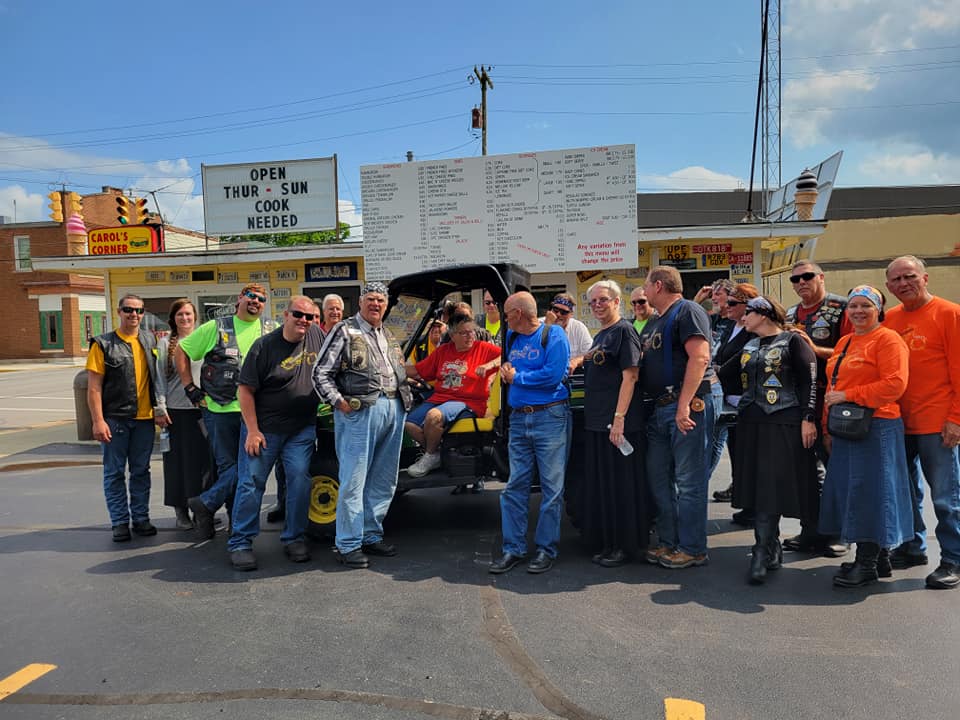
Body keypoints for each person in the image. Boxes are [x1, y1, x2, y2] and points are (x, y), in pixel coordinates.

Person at [312, 281, 413, 569]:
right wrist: (339, 402)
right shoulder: (344, 330)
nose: (376, 304)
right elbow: (320, 373)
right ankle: (347, 543)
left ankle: (371, 534)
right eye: (371, 299)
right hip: (359, 412)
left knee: (384, 479)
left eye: (381, 300)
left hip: (393, 408)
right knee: (354, 480)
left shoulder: (388, 336)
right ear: (360, 302)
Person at [721, 296, 818, 584]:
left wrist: (808, 418)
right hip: (751, 423)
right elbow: (724, 373)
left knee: (774, 485)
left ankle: (763, 549)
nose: (742, 317)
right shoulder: (748, 345)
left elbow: (809, 380)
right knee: (758, 485)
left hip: (784, 422)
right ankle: (768, 545)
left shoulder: (793, 341)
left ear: (763, 314)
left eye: (747, 312)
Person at [820, 285, 912, 588]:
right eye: (853, 306)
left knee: (874, 494)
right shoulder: (845, 341)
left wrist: (851, 394)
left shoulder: (888, 340)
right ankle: (879, 558)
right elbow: (831, 389)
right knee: (853, 492)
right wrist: (826, 428)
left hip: (878, 427)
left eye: (866, 306)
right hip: (846, 428)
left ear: (878, 310)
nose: (858, 311)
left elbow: (894, 385)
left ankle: (867, 563)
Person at [226, 296, 324, 571]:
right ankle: (240, 543)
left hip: (301, 428)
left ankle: (294, 538)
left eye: (310, 316)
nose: (304, 320)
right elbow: (244, 391)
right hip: (264, 429)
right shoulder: (264, 346)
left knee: (299, 481)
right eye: (298, 314)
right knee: (251, 483)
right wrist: (253, 431)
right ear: (285, 314)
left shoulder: (316, 336)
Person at [883, 255, 960, 589]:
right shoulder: (888, 320)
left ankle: (954, 559)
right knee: (905, 493)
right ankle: (913, 546)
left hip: (937, 423)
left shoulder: (950, 314)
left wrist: (955, 419)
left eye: (909, 276)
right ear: (888, 286)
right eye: (897, 279)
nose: (904, 283)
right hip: (899, 423)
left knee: (945, 497)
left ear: (925, 278)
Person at [638, 266, 715, 569]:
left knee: (689, 480)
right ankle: (669, 543)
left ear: (658, 286)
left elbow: (700, 357)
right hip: (659, 409)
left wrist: (684, 405)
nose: (643, 293)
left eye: (646, 286)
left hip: (684, 406)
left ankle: (693, 548)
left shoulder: (688, 311)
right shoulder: (656, 321)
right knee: (658, 478)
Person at [490, 291, 571, 575]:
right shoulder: (512, 338)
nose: (505, 318)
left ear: (519, 314)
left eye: (507, 313)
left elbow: (553, 374)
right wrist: (506, 369)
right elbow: (510, 367)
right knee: (515, 486)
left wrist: (517, 377)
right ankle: (513, 549)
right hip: (519, 420)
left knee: (551, 488)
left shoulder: (554, 336)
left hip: (550, 417)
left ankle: (545, 550)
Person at [177, 283, 266, 539]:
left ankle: (205, 504)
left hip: (255, 413)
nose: (255, 301)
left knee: (246, 469)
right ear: (240, 298)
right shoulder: (216, 327)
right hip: (219, 409)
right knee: (231, 468)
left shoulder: (268, 329)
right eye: (251, 296)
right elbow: (182, 350)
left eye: (261, 299)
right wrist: (189, 387)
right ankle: (230, 523)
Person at [782, 261, 852, 557]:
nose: (801, 282)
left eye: (807, 276)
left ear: (821, 277)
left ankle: (839, 533)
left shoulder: (843, 307)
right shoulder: (790, 314)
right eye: (795, 279)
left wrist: (814, 348)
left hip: (834, 400)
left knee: (836, 469)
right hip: (799, 402)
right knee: (804, 470)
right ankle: (810, 528)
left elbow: (856, 351)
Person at [580, 279, 647, 567]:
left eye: (603, 300)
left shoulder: (624, 331)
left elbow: (630, 377)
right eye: (593, 301)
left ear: (617, 302)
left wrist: (618, 419)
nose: (597, 305)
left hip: (618, 425)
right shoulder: (600, 335)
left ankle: (624, 546)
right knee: (604, 487)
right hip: (597, 423)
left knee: (621, 487)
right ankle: (608, 542)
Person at [86, 294, 161, 542]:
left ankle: (141, 518)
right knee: (114, 472)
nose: (134, 315)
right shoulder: (103, 344)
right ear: (119, 312)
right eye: (128, 309)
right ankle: (119, 521)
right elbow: (94, 387)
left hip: (144, 419)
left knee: (141, 471)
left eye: (139, 310)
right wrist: (98, 420)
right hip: (115, 419)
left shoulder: (149, 339)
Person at [404, 313, 501, 477]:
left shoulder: (483, 348)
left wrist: (489, 364)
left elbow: (508, 356)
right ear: (452, 335)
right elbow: (417, 370)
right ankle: (436, 454)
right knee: (409, 425)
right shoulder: (443, 351)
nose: (470, 336)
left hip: (469, 402)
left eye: (472, 331)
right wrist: (391, 366)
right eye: (463, 333)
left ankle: (429, 456)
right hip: (440, 398)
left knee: (433, 416)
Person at [154, 299, 214, 530]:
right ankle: (181, 512)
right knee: (177, 464)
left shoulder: (206, 340)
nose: (185, 318)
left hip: (201, 411)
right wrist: (160, 408)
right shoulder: (164, 344)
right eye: (180, 315)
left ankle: (201, 509)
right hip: (176, 413)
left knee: (202, 464)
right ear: (173, 318)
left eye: (188, 314)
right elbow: (158, 379)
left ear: (195, 317)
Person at [712, 282, 760, 526]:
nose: (727, 307)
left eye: (732, 303)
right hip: (727, 399)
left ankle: (754, 507)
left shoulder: (753, 332)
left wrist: (718, 370)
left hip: (745, 400)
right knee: (737, 454)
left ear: (747, 306)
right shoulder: (730, 325)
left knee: (749, 456)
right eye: (727, 301)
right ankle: (744, 501)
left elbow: (743, 361)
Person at [544, 293, 593, 374]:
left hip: (571, 374)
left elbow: (590, 354)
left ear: (571, 314)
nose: (558, 314)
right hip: (546, 373)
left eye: (564, 312)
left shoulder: (578, 327)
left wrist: (576, 361)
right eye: (555, 310)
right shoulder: (540, 323)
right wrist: (547, 327)